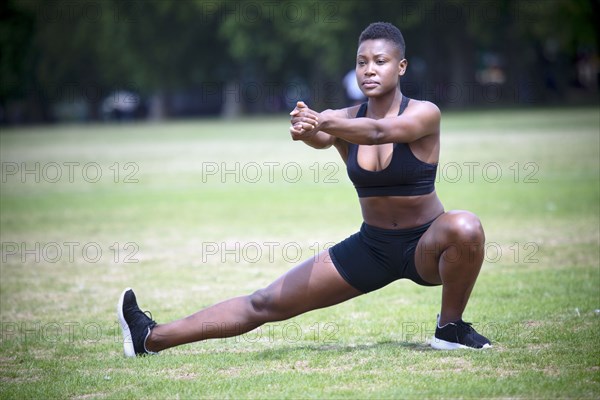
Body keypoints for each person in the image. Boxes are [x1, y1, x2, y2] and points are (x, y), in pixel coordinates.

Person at [117, 22, 491, 357]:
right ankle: (151, 337)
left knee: (465, 227)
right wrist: (306, 127)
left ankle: (450, 329)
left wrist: (323, 118)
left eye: (380, 61)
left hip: (426, 244)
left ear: (401, 67)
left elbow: (381, 131)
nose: (370, 70)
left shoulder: (424, 113)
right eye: (362, 62)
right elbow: (320, 137)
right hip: (372, 247)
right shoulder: (346, 120)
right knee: (263, 303)